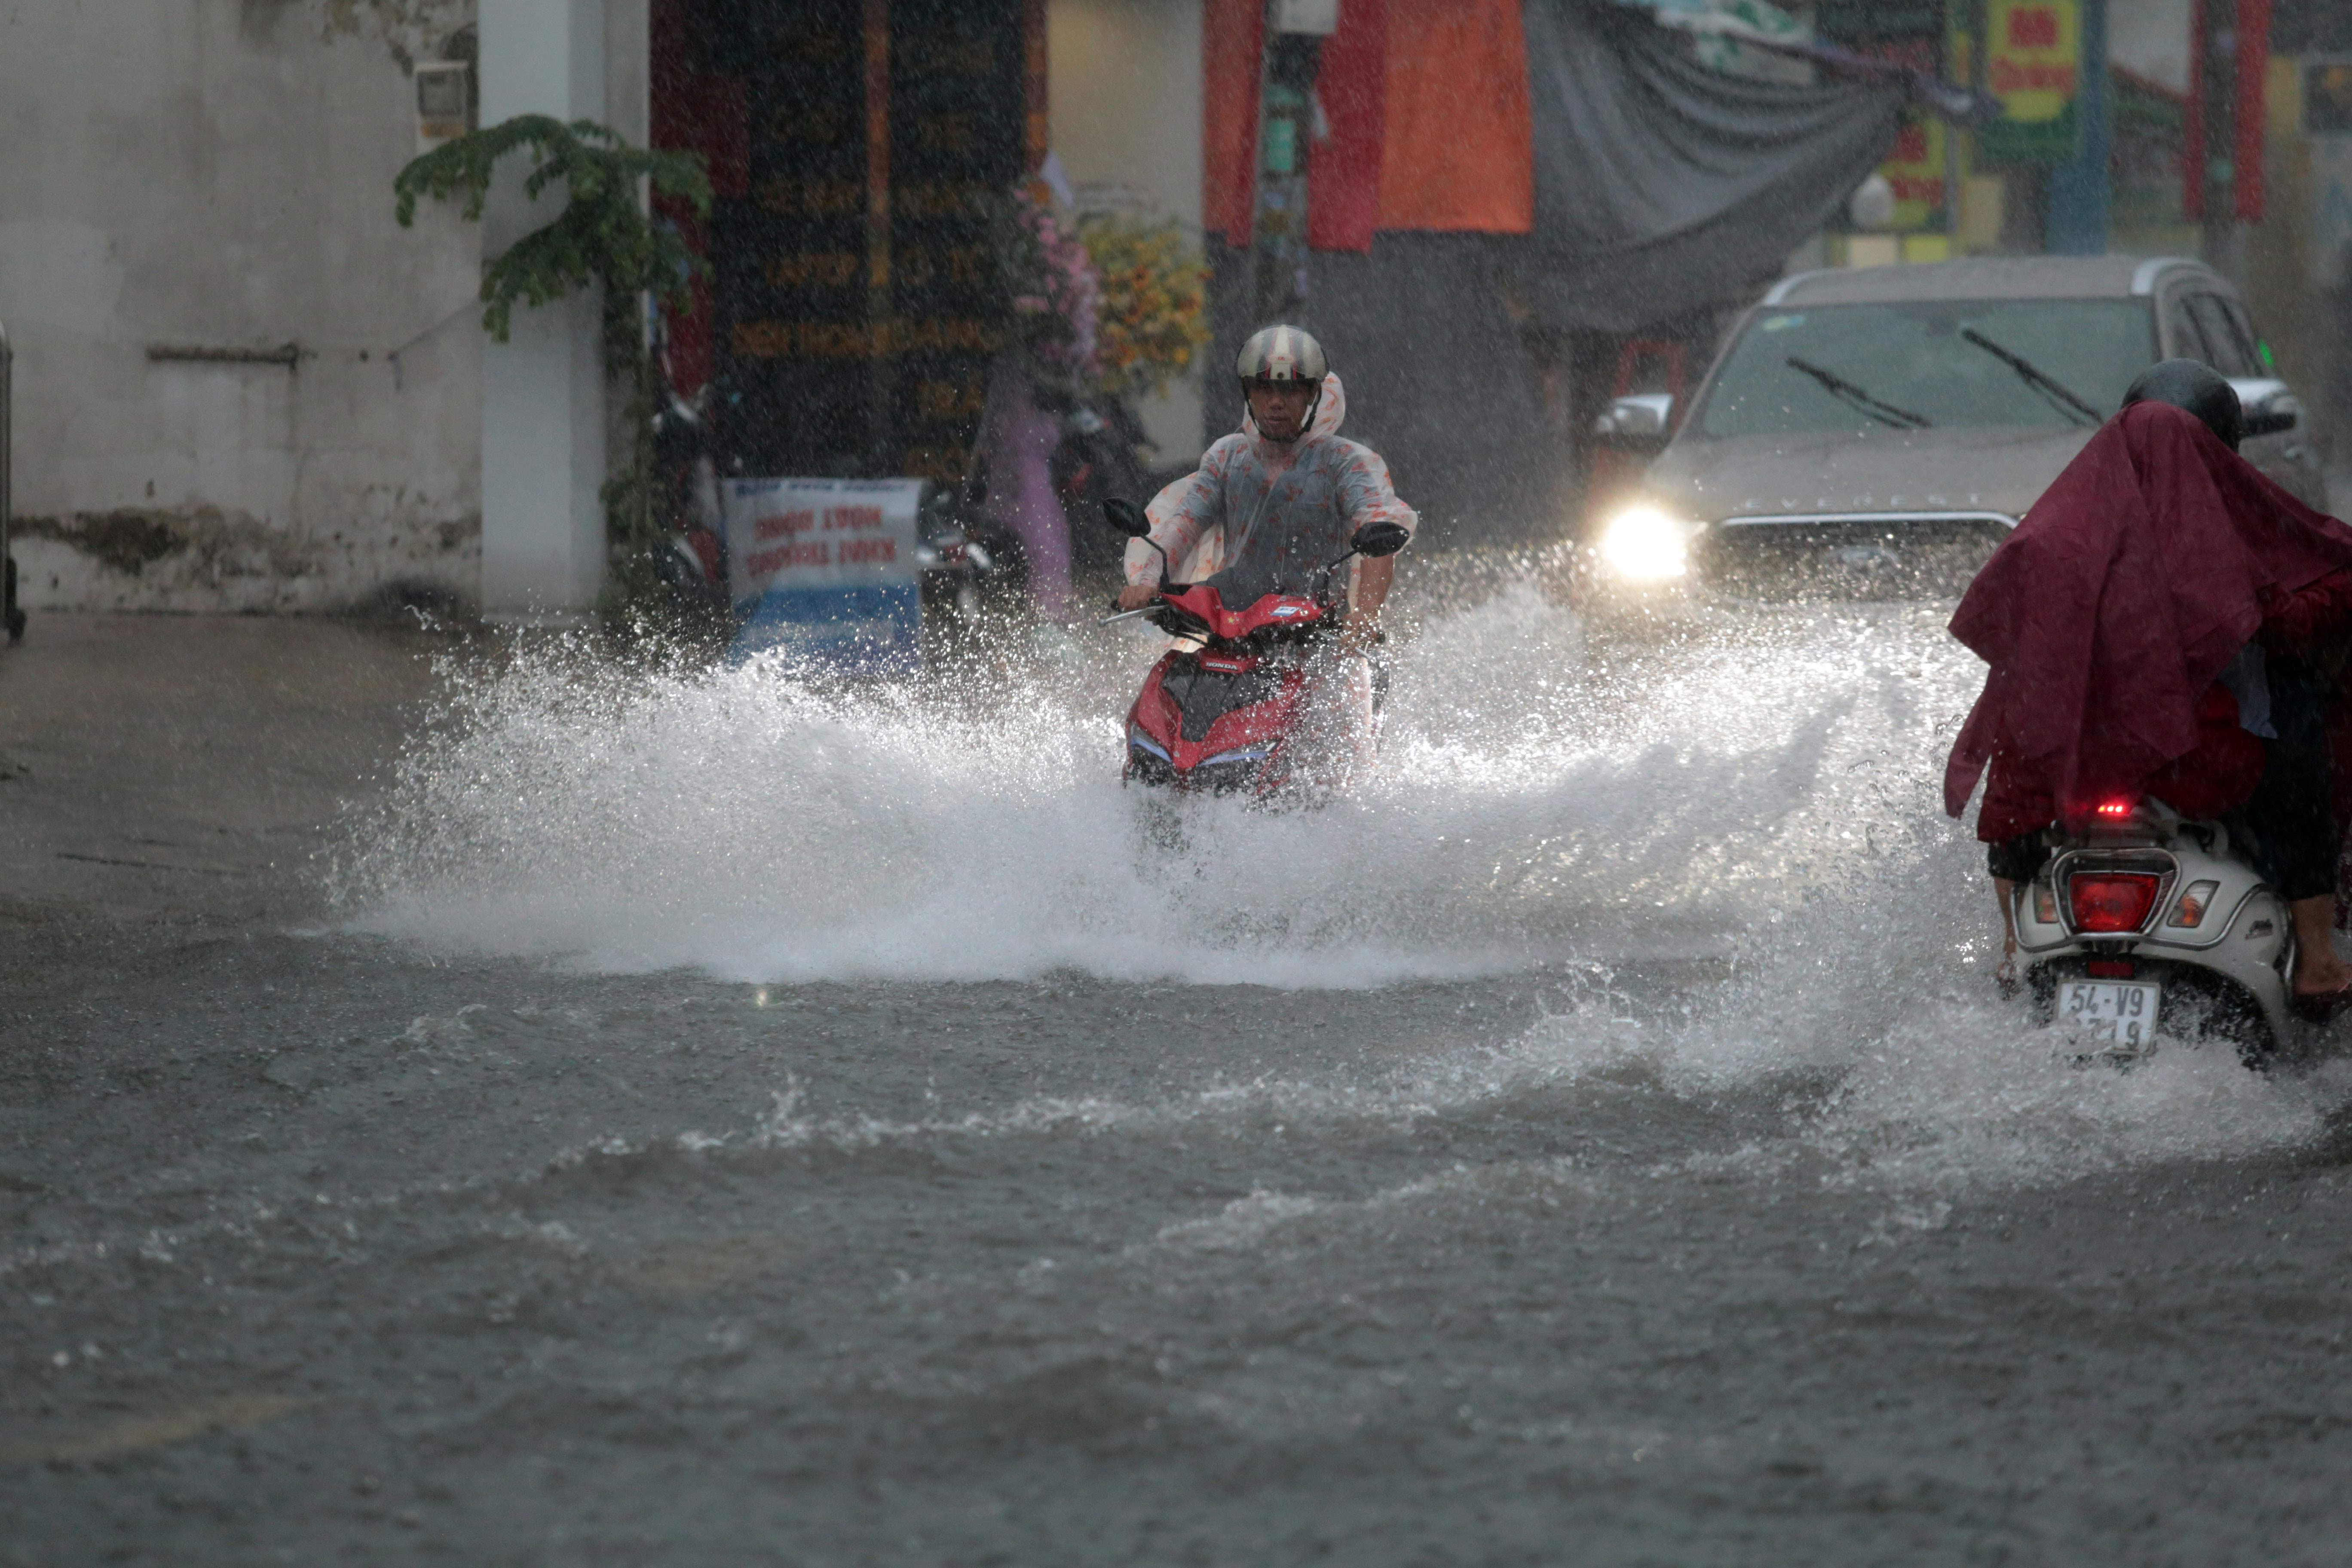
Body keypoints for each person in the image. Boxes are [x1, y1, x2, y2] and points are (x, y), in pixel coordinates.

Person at [1946, 359, 2352, 1001]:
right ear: (2223, 449)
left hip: (2064, 769)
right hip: (2197, 765)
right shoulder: (2225, 530)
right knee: (2299, 752)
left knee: (2015, 760)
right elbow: (2298, 616)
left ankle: (2008, 947)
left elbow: (1997, 631)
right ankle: (2320, 960)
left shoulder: (2054, 533)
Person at [1115, 326, 1418, 779]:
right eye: (1264, 387)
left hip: (1317, 641)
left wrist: (1365, 615)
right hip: (1228, 627)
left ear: (1314, 395)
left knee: (1335, 763)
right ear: (1248, 393)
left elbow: (1378, 529)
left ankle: (1338, 823)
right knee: (1150, 716)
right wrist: (1145, 583)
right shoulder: (1226, 458)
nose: (1277, 401)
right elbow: (1183, 525)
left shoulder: (1345, 463)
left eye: (1291, 389)